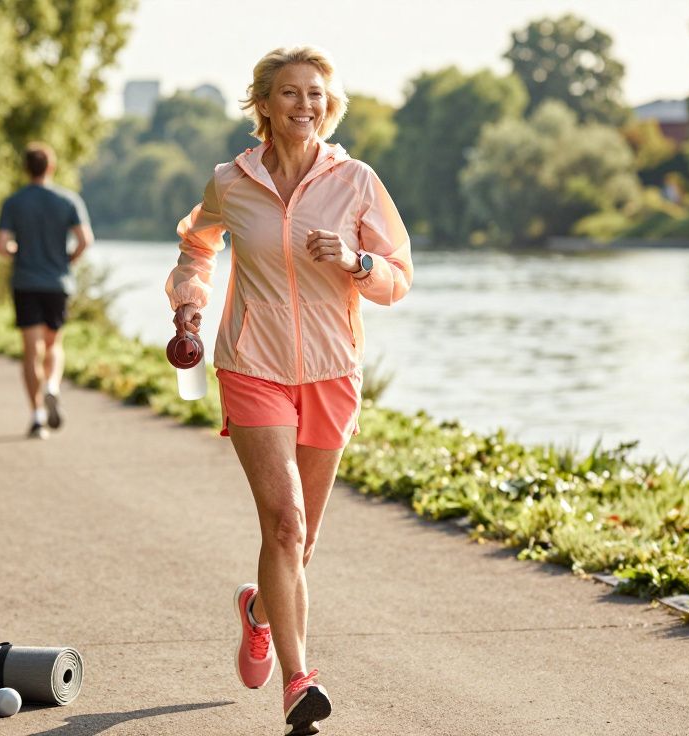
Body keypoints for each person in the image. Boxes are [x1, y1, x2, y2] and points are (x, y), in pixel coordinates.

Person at [166, 46, 413, 735]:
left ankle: (258, 613)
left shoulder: (356, 180)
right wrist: (190, 302)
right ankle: (298, 680)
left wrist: (357, 260)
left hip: (332, 371)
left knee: (300, 546)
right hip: (252, 365)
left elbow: (398, 276)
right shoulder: (231, 180)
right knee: (285, 523)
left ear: (326, 106)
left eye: (316, 94)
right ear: (265, 104)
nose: (304, 105)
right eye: (290, 93)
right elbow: (197, 246)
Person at [0, 143, 94, 439]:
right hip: (57, 282)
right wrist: (68, 260)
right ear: (50, 167)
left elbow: (1, 245)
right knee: (54, 345)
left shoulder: (13, 202)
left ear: (26, 168)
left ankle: (37, 415)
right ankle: (51, 385)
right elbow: (85, 240)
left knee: (31, 350)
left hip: (25, 282)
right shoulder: (68, 200)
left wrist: (18, 252)